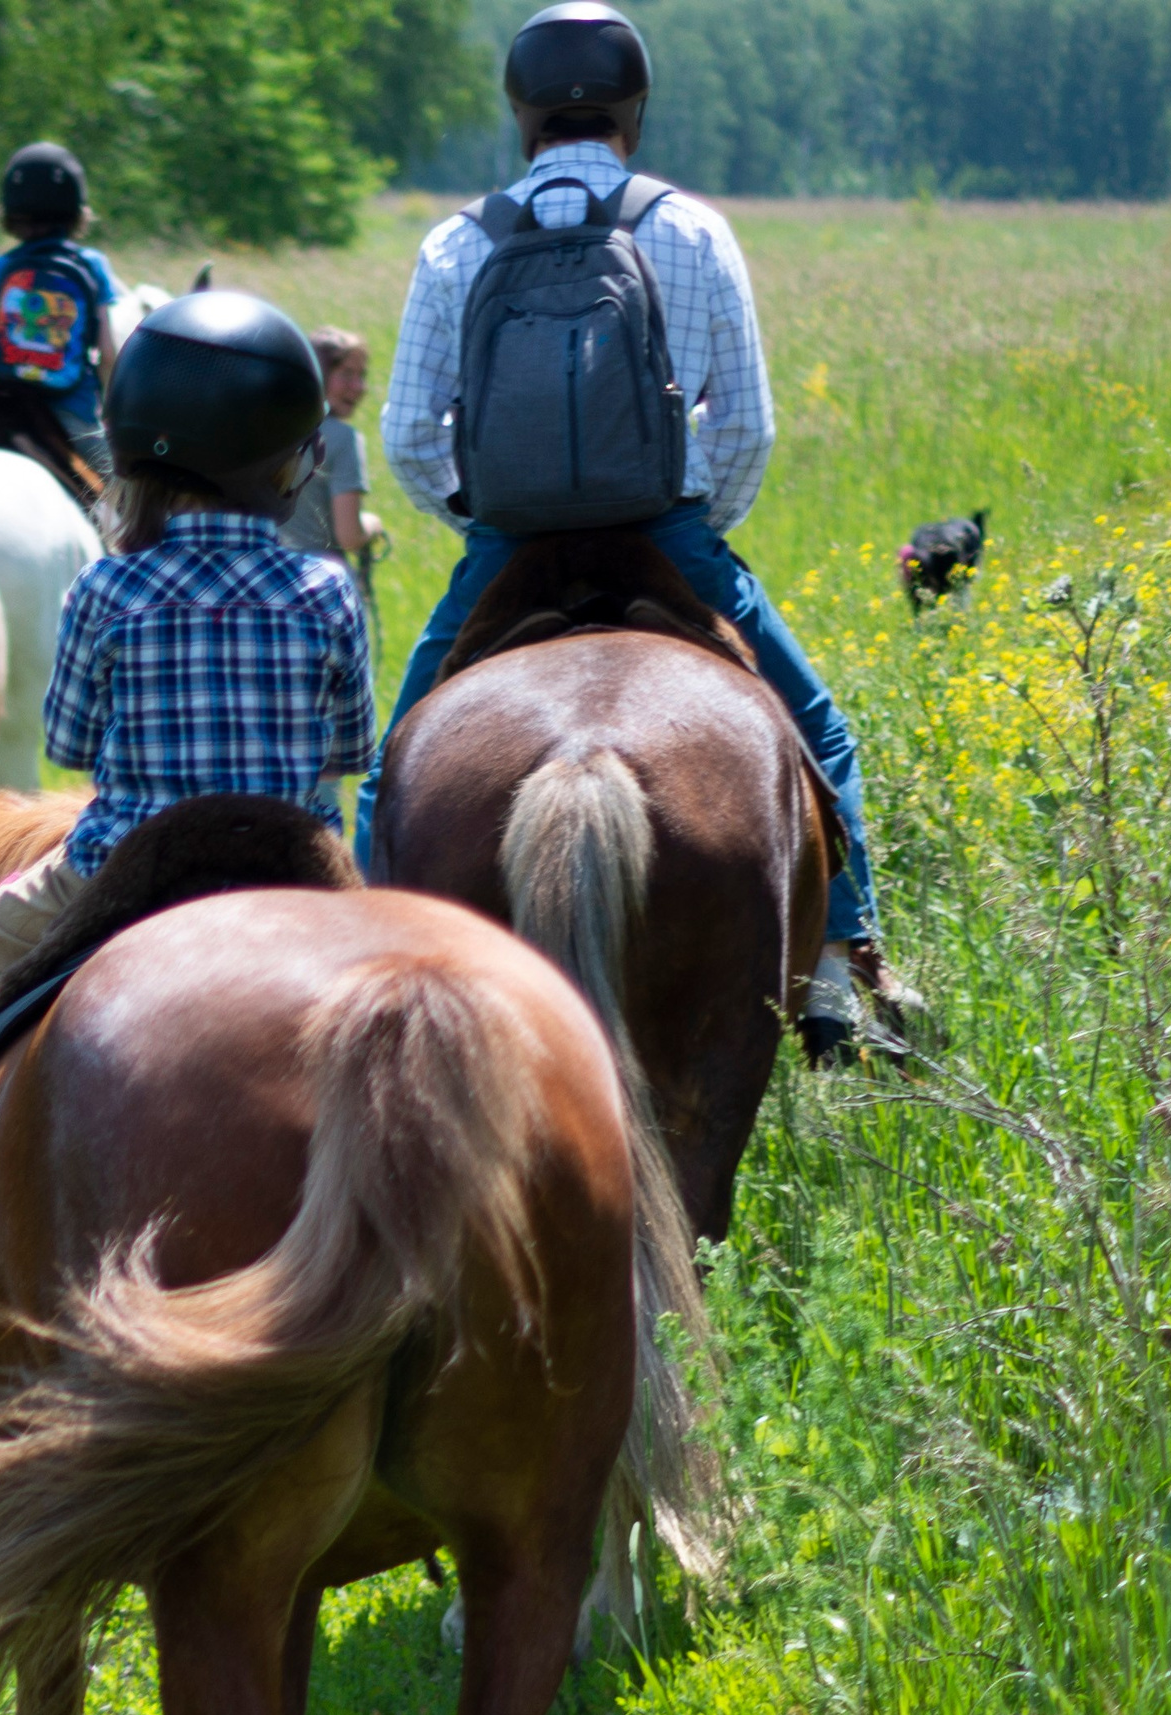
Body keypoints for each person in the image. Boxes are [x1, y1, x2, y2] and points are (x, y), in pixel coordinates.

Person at [359, 1, 912, 1059]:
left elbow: (410, 436)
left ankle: (370, 959)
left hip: (509, 547)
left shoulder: (456, 242)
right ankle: (841, 963)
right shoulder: (690, 228)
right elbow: (744, 424)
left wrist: (482, 512)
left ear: (521, 113)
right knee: (819, 729)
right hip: (669, 534)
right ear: (633, 109)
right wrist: (695, 520)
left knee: (395, 763)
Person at [0, 294, 376, 1254]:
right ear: (292, 461)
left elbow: (70, 743)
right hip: (296, 868)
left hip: (122, 866)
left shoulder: (108, 585)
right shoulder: (325, 588)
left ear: (135, 454)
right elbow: (351, 750)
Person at [0, 143, 127, 476]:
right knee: (123, 492)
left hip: (2, 413)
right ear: (76, 210)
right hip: (71, 420)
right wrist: (108, 411)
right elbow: (108, 354)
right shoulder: (92, 265)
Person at [281, 327, 386, 569]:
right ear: (317, 374)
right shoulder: (343, 438)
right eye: (347, 374)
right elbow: (349, 537)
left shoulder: (268, 427)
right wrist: (372, 525)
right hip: (315, 577)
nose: (359, 386)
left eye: (362, 375)